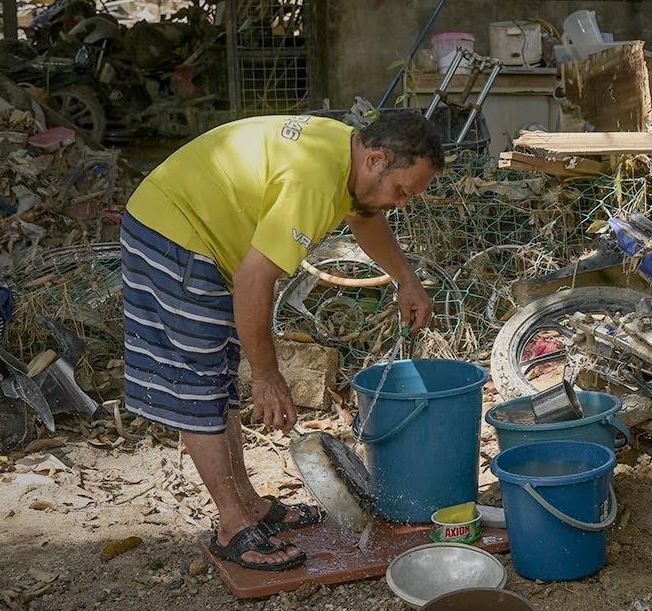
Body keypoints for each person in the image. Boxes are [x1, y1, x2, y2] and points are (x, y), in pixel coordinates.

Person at [120, 109, 442, 570]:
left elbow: (365, 217)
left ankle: (248, 504)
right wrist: (268, 377)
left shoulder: (346, 155)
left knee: (217, 374)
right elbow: (256, 280)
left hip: (195, 231)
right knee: (199, 382)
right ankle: (233, 526)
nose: (403, 202)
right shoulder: (314, 181)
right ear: (376, 159)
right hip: (171, 233)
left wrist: (405, 279)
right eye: (403, 190)